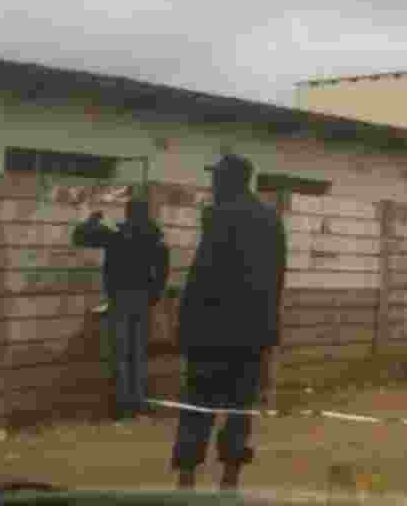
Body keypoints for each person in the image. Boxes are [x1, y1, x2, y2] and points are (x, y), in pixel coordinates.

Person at [171, 154, 287, 493]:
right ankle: (230, 479)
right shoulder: (270, 220)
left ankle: (187, 480)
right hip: (252, 336)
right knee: (239, 408)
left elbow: (203, 275)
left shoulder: (218, 216)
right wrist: (269, 335)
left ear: (227, 180)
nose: (212, 184)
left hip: (211, 334)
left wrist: (184, 325)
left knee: (196, 407)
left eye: (216, 178)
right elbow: (276, 280)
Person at [72, 194, 171, 422]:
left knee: (122, 353)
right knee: (138, 353)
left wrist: (92, 220)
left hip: (121, 298)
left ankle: (124, 406)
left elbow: (79, 237)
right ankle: (138, 403)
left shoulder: (116, 234)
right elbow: (163, 266)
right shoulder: (154, 235)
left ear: (128, 213)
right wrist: (154, 294)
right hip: (143, 298)